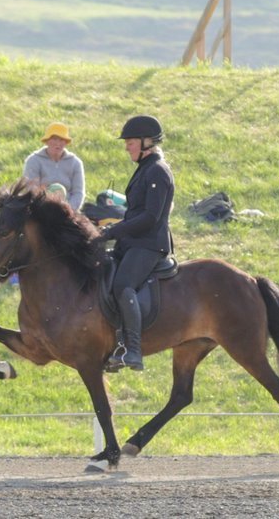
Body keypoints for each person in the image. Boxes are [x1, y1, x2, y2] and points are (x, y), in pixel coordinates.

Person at [96, 115, 175, 371]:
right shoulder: (145, 168)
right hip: (134, 242)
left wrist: (113, 231)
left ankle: (133, 350)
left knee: (123, 285)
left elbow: (150, 217)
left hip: (149, 243)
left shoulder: (157, 171)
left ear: (147, 142)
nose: (127, 147)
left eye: (130, 142)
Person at [23, 122, 86, 211]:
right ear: (47, 141)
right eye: (54, 139)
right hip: (40, 210)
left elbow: (78, 193)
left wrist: (68, 210)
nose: (58, 143)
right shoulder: (33, 160)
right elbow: (31, 190)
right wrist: (45, 208)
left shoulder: (75, 163)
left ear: (66, 142)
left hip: (68, 212)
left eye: (62, 140)